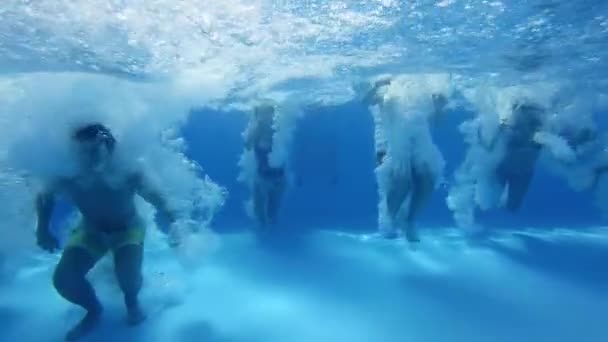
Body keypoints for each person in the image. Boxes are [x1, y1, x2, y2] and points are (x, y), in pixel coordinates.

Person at [35, 123, 177, 341]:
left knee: (127, 277)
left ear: (109, 146)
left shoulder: (128, 170)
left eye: (97, 149)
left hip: (128, 229)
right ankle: (93, 310)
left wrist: (177, 224)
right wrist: (42, 229)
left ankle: (132, 301)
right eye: (86, 150)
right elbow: (45, 196)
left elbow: (159, 199)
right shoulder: (69, 173)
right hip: (91, 231)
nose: (92, 156)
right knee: (64, 280)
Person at [366, 77, 447, 242]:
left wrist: (439, 107)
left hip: (418, 146)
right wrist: (377, 86)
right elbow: (367, 101)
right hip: (388, 145)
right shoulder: (386, 80)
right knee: (403, 182)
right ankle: (389, 220)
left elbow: (437, 121)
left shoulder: (425, 84)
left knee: (428, 181)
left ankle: (410, 222)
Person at [482, 101, 545, 212]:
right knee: (489, 203)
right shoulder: (506, 128)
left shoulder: (540, 132)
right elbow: (489, 147)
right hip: (503, 169)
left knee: (513, 207)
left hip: (524, 174)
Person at [244, 104, 286, 227]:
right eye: (261, 114)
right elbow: (247, 146)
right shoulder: (260, 129)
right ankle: (267, 235)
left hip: (273, 177)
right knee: (263, 212)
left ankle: (269, 236)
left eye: (266, 113)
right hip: (267, 176)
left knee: (269, 212)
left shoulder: (276, 128)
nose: (264, 117)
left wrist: (256, 130)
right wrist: (255, 129)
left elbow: (247, 145)